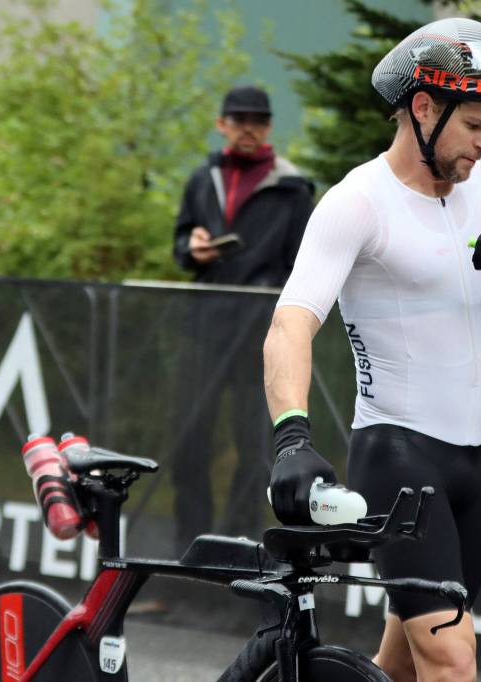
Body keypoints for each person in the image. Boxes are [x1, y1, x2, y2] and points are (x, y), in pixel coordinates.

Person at [263, 18, 481, 682]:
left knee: (405, 665)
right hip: (400, 456)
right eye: (475, 125)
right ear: (424, 107)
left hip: (479, 461)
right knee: (452, 659)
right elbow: (290, 326)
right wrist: (291, 437)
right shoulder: (356, 203)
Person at [170, 85, 314, 550]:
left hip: (261, 333)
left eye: (257, 120)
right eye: (238, 119)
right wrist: (192, 251)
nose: (248, 128)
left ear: (269, 126)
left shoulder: (293, 188)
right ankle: (192, 550)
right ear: (222, 124)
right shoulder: (201, 177)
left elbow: (304, 269)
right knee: (189, 441)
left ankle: (238, 552)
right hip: (203, 326)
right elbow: (179, 245)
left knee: (254, 447)